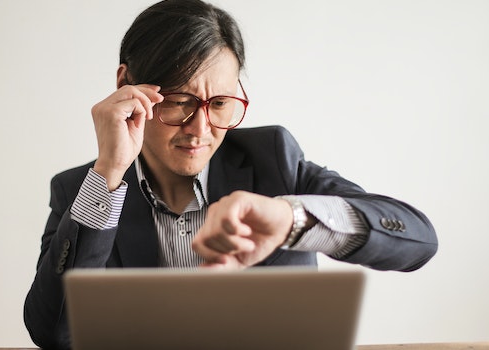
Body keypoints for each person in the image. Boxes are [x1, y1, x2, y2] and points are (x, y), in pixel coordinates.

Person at [24, 0, 438, 348]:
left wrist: (292, 222)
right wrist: (109, 174)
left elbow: (416, 240)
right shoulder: (81, 190)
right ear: (126, 87)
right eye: (179, 101)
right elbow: (53, 332)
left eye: (220, 103)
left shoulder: (273, 158)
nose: (200, 130)